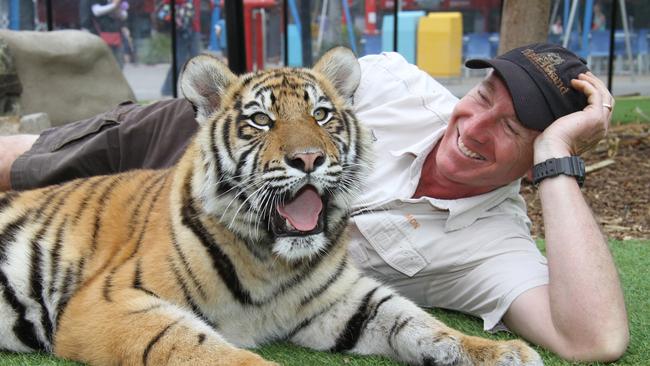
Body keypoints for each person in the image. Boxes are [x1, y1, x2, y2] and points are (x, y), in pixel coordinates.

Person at [0, 43, 629, 362]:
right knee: (27, 160)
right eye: (484, 93)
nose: (475, 122)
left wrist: (559, 161)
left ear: (536, 153)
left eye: (514, 128)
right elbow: (91, 322)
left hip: (258, 216)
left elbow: (596, 339)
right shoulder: (397, 84)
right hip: (202, 143)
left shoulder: (492, 244)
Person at [79, 0, 129, 68]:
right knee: (99, 64)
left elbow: (124, 15)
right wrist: (114, 6)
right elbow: (96, 11)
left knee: (118, 64)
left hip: (115, 34)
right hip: (96, 33)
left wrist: (118, 10)